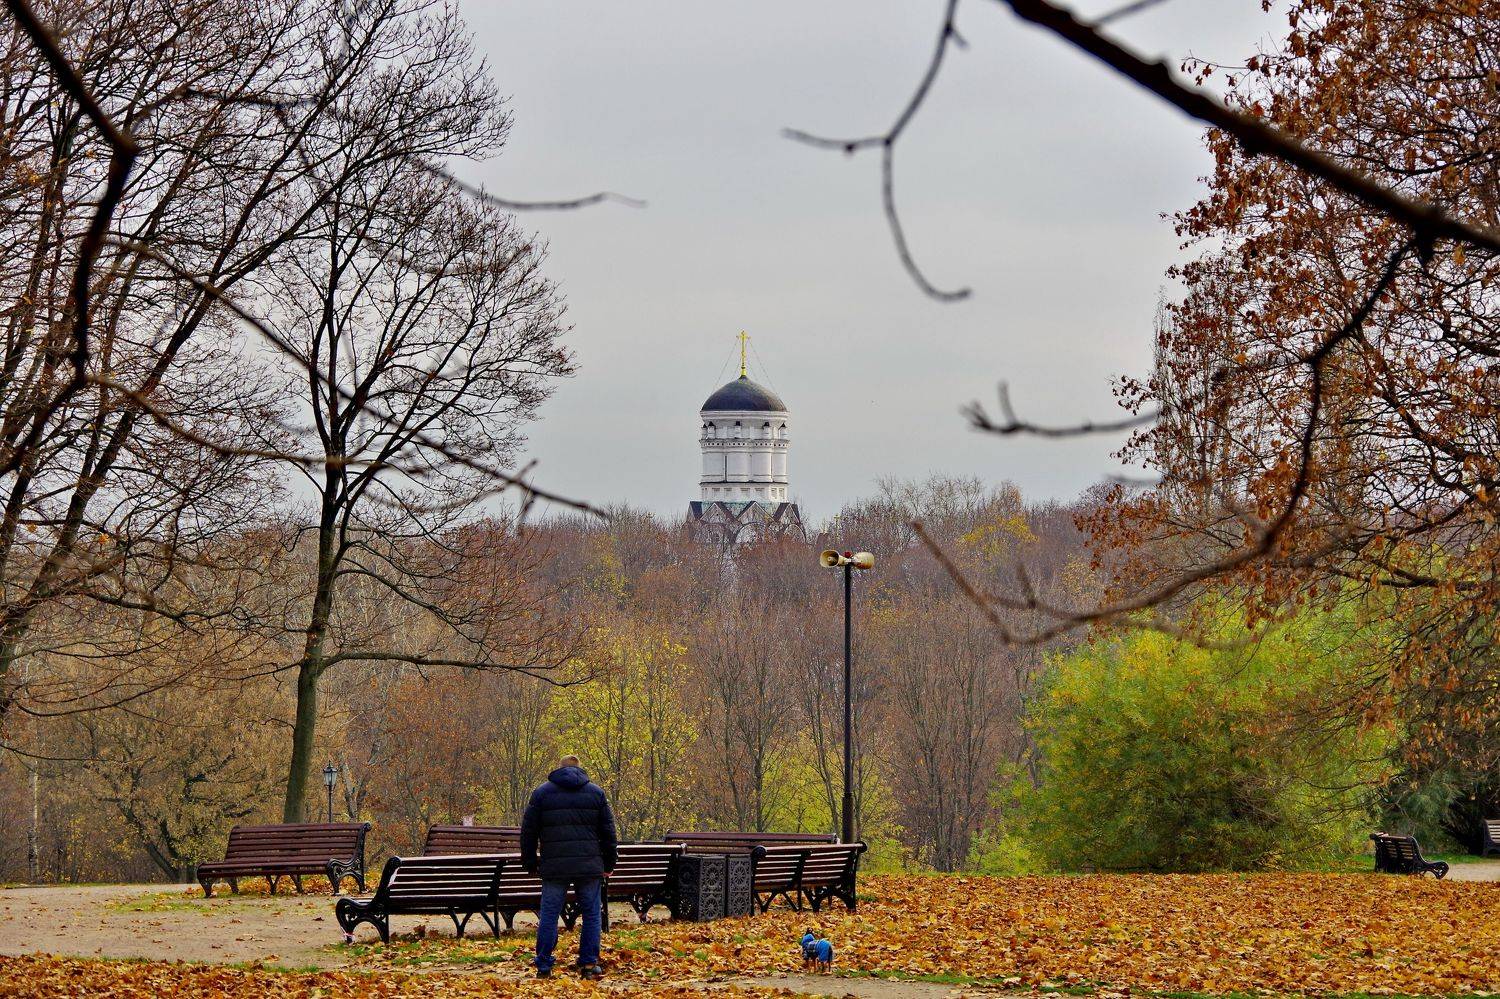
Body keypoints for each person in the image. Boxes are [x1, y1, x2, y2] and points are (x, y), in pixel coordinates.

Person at [520, 754, 618, 979]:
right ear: (580, 769)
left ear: (559, 769)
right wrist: (609, 863)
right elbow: (608, 833)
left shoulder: (542, 793)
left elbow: (528, 832)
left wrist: (531, 863)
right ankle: (588, 964)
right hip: (589, 865)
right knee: (592, 914)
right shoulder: (596, 793)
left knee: (549, 914)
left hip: (555, 866)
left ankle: (544, 964)